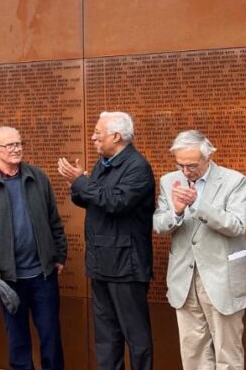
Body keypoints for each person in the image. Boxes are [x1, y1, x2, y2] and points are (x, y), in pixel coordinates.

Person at [153, 130, 246, 370]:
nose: (185, 172)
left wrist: (198, 205)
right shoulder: (169, 181)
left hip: (223, 277)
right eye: (180, 165)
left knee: (228, 353)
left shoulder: (234, 180)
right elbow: (159, 224)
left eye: (191, 165)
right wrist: (178, 212)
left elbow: (237, 225)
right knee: (192, 351)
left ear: (208, 157)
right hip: (184, 277)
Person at [57, 111, 154, 370]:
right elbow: (90, 198)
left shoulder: (137, 167)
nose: (93, 137)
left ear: (116, 136)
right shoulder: (104, 162)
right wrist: (77, 185)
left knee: (136, 336)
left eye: (98, 133)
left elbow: (115, 202)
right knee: (106, 335)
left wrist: (82, 183)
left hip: (127, 265)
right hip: (100, 262)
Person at [0, 126, 67, 370]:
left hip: (43, 274)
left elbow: (54, 219)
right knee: (17, 337)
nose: (16, 149)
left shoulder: (38, 177)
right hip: (8, 277)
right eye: (10, 145)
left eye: (19, 143)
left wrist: (60, 254)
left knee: (50, 334)